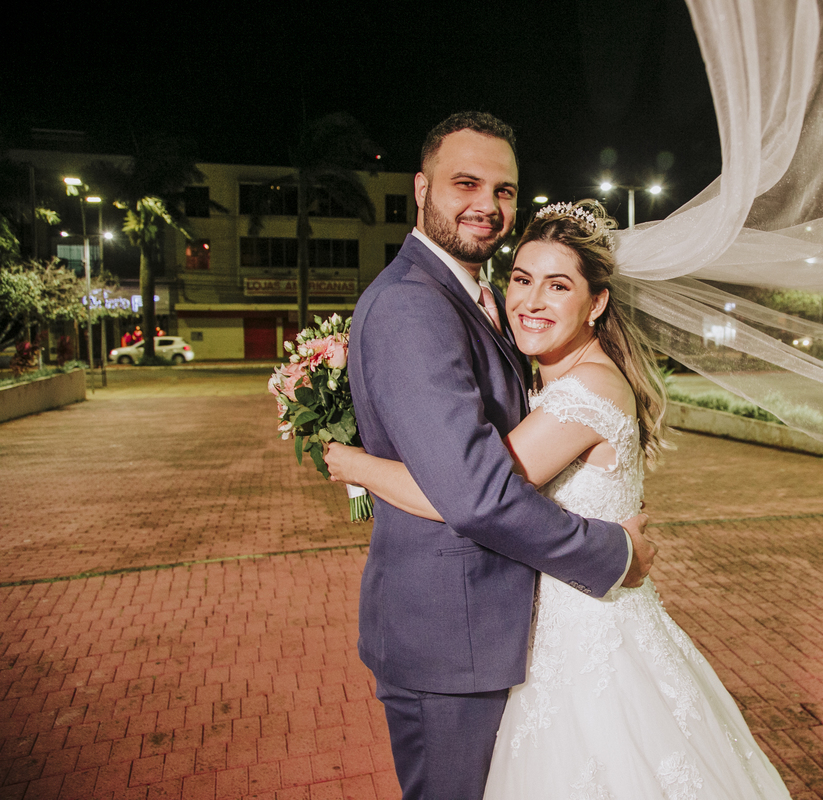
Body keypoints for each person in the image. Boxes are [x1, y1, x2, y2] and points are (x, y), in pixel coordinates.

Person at [329, 199, 791, 799]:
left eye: (558, 285)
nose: (531, 300)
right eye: (522, 280)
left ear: (596, 303)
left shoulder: (583, 394)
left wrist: (355, 464)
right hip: (560, 626)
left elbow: (465, 495)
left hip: (586, 643)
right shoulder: (561, 382)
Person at [344, 112, 656, 800]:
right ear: (421, 188)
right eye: (466, 183)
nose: (487, 204)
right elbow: (475, 491)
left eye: (504, 189)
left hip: (503, 632)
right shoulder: (413, 306)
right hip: (450, 638)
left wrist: (359, 465)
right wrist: (611, 553)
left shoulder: (471, 299)